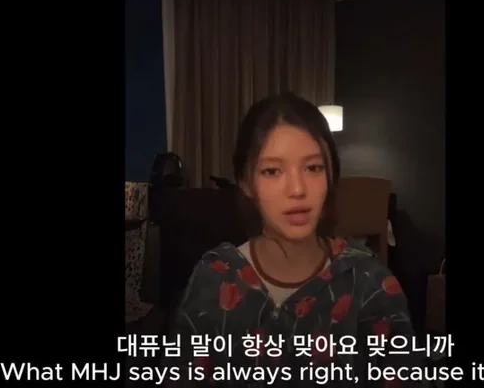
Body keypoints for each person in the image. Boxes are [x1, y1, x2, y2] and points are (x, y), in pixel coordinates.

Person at [162, 93, 426, 387]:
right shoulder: (215, 278)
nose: (298, 189)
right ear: (246, 182)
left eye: (313, 168)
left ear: (331, 175)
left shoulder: (370, 284)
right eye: (272, 171)